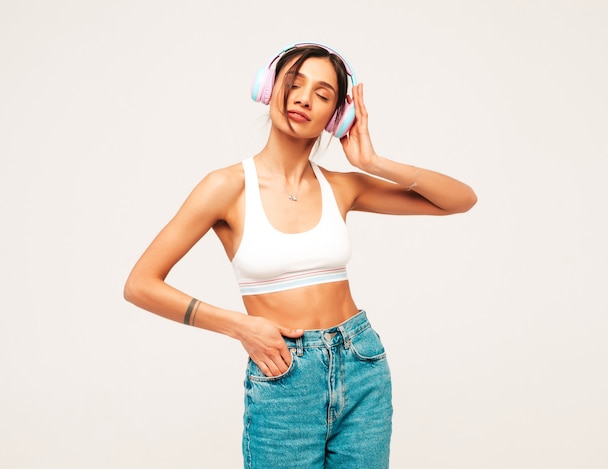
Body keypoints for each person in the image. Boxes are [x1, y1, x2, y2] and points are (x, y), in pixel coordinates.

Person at [124, 42, 477, 468]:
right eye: (294, 82)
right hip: (285, 373)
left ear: (337, 118)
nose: (304, 97)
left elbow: (460, 199)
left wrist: (372, 161)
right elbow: (140, 284)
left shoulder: (342, 186)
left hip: (361, 363)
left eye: (324, 94)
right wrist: (242, 328)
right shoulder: (226, 187)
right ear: (269, 89)